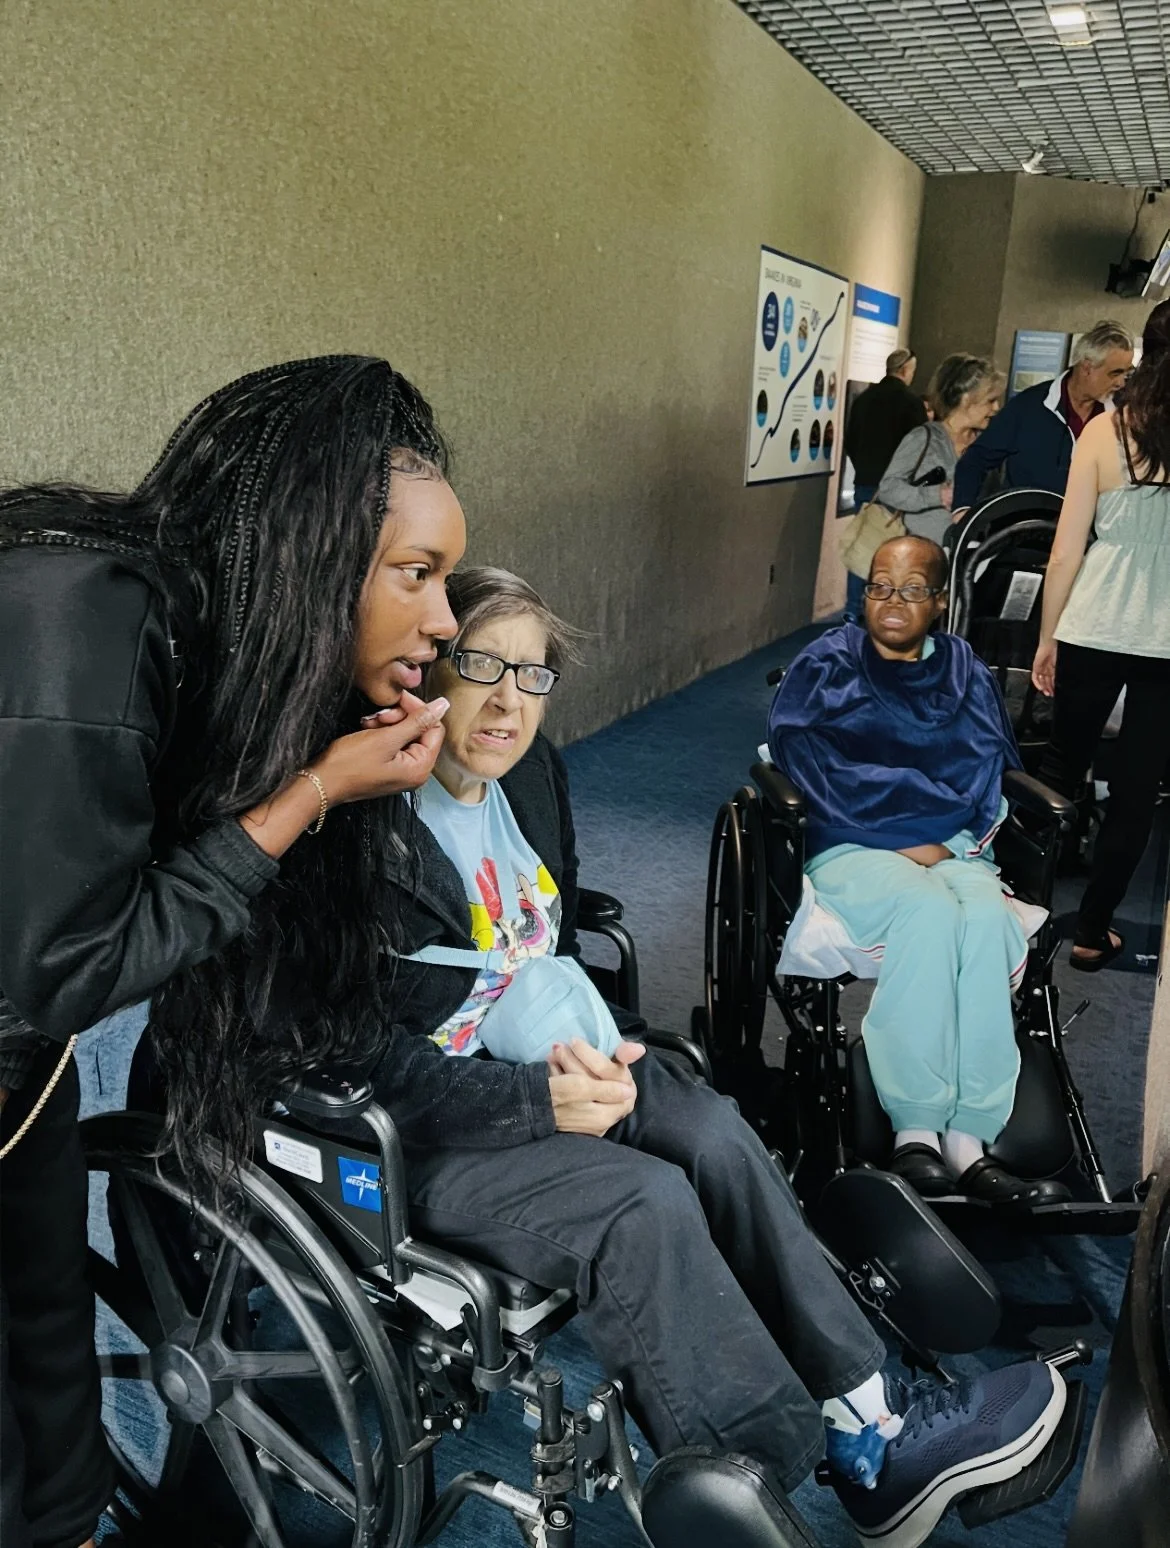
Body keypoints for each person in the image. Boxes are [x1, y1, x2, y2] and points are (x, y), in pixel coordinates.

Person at [345, 561, 1062, 1548]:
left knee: (713, 1127)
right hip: (426, 1134)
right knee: (645, 1203)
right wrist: (540, 1102)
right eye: (482, 665)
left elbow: (538, 948)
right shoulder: (371, 823)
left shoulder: (531, 781)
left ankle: (871, 1418)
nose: (510, 700)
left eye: (533, 673)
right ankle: (759, 1474)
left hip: (544, 1068)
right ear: (435, 666)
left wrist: (591, 1058)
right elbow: (371, 1059)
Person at [0, 356, 461, 1548]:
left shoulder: (201, 640)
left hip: (21, 1062)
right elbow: (73, 968)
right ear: (312, 554)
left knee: (50, 1402)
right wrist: (312, 789)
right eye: (417, 574)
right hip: (30, 1010)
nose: (448, 621)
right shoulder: (82, 612)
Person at [769, 536, 1044, 1208]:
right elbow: (810, 765)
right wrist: (902, 834)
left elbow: (981, 769)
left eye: (912, 588)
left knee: (983, 917)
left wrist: (933, 835)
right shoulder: (828, 663)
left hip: (951, 845)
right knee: (926, 912)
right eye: (879, 586)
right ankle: (915, 1130)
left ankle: (970, 1139)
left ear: (941, 600)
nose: (893, 602)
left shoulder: (962, 671)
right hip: (852, 840)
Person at [1032, 301, 1170, 972]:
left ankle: (1022, 908)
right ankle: (1091, 931)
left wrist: (1047, 637)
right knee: (1137, 792)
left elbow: (1066, 552)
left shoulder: (1107, 432)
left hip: (1092, 624)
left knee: (1060, 769)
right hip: (1167, 643)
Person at [954, 321, 1134, 512]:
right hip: (1023, 532)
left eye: (1126, 374)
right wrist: (963, 511)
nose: (1121, 383)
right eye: (1115, 373)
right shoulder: (1027, 406)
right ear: (1087, 368)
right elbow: (975, 460)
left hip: (1089, 535)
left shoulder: (1121, 416)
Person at [873, 355, 1004, 547]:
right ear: (966, 399)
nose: (996, 408)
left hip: (968, 556)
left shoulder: (986, 444)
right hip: (922, 558)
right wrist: (938, 495)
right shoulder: (923, 438)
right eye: (990, 400)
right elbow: (888, 489)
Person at [843, 349, 927, 617]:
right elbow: (919, 449)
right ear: (905, 371)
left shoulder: (864, 399)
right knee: (893, 554)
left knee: (862, 547)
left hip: (865, 483)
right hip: (896, 490)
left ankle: (853, 610)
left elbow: (851, 442)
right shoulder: (910, 403)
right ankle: (884, 612)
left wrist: (865, 471)